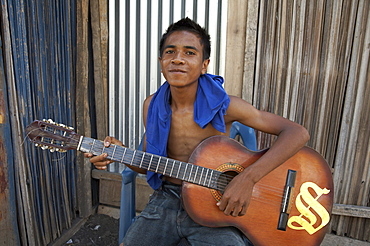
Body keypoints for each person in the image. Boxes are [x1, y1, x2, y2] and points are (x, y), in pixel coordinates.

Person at [85, 18, 309, 246]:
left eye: (190, 53)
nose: (178, 59)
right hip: (168, 198)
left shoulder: (225, 106)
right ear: (161, 61)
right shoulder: (151, 105)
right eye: (170, 52)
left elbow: (297, 133)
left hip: (216, 202)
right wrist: (120, 154)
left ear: (204, 64)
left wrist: (247, 179)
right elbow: (148, 164)